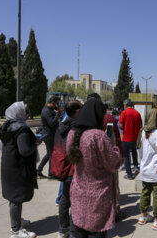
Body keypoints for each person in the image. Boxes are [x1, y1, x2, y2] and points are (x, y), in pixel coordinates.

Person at [66, 98, 122, 237]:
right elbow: (114, 163)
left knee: (78, 230)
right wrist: (115, 149)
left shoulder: (72, 134)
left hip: (78, 194)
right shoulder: (98, 136)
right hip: (98, 197)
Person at [0, 102, 38, 238]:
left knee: (14, 197)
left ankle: (16, 221)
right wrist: (36, 143)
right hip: (17, 168)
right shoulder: (21, 129)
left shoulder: (7, 126)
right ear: (20, 113)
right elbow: (25, 150)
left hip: (9, 165)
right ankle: (16, 230)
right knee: (16, 198)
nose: (28, 115)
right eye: (26, 112)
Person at [50, 100, 82, 238]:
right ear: (76, 112)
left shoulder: (62, 125)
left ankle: (63, 229)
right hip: (71, 168)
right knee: (73, 199)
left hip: (62, 167)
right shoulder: (75, 128)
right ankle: (73, 229)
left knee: (65, 198)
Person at [102, 103, 126, 222]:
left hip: (93, 160)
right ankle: (115, 212)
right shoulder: (109, 119)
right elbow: (116, 138)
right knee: (114, 185)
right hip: (111, 158)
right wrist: (120, 155)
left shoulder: (85, 120)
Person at [37, 95, 61, 177]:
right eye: (56, 104)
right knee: (51, 155)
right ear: (52, 103)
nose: (56, 106)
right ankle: (51, 174)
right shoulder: (46, 111)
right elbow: (51, 123)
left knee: (49, 154)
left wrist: (56, 113)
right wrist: (58, 115)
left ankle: (39, 170)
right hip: (48, 135)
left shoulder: (50, 110)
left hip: (50, 134)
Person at [119, 99, 142, 179]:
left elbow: (121, 125)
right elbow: (140, 126)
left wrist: (124, 129)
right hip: (134, 138)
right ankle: (136, 167)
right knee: (134, 152)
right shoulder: (137, 113)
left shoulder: (124, 112)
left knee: (126, 156)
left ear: (125, 104)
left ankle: (129, 174)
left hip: (126, 137)